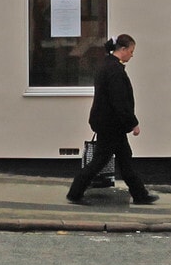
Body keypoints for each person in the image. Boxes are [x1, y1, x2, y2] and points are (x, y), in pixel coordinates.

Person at [67, 34, 157, 205]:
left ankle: (140, 194)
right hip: (111, 124)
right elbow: (119, 101)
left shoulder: (107, 66)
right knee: (104, 160)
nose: (132, 54)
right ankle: (75, 192)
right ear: (122, 50)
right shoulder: (115, 71)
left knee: (123, 159)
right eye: (131, 51)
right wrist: (133, 123)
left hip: (107, 122)